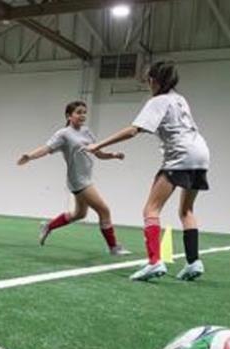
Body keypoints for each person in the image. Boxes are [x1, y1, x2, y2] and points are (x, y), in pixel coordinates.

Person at [86, 61, 211, 282]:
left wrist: (99, 145)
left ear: (154, 81)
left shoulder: (158, 101)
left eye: (148, 81)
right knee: (186, 211)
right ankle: (193, 262)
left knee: (151, 210)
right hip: (201, 153)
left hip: (181, 154)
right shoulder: (180, 99)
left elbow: (133, 130)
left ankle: (154, 262)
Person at [17, 100, 130, 256]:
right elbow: (47, 148)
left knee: (79, 214)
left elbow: (97, 152)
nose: (82, 115)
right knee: (104, 210)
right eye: (78, 112)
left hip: (86, 177)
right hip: (78, 180)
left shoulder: (87, 131)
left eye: (84, 112)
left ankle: (48, 226)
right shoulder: (63, 134)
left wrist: (113, 155)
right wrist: (29, 156)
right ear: (69, 116)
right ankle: (113, 247)